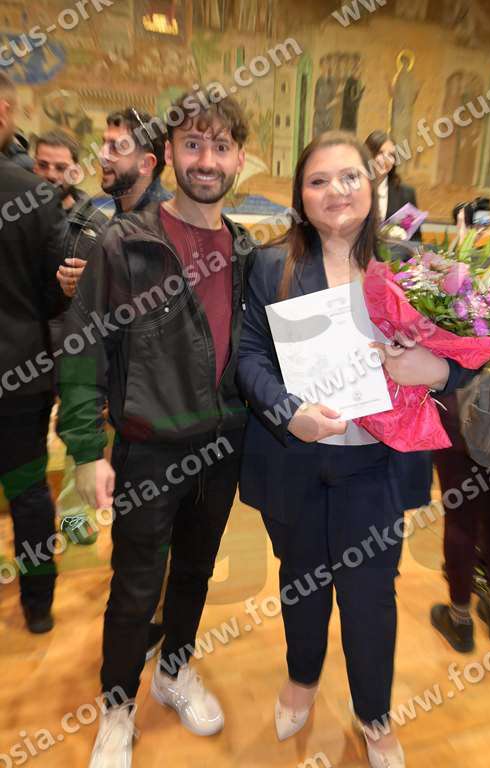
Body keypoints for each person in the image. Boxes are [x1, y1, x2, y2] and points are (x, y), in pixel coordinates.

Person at [237, 131, 475, 768]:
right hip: (297, 457)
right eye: (318, 181)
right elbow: (249, 356)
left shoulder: (410, 265)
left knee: (370, 594)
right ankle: (302, 679)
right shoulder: (271, 265)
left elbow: (467, 349)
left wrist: (438, 371)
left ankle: (374, 715)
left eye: (349, 177)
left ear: (372, 187)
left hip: (377, 463)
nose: (336, 191)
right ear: (300, 195)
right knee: (301, 580)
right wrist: (288, 412)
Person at [58, 92, 254, 767]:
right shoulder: (126, 242)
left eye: (221, 146)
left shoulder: (246, 249)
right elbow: (82, 348)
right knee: (135, 587)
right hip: (147, 448)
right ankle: (116, 709)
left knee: (195, 572)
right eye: (193, 144)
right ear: (168, 152)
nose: (207, 160)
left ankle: (174, 671)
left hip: (221, 447)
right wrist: (88, 450)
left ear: (240, 158)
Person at [55, 107, 171, 655]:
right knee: (136, 544)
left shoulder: (165, 226)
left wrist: (104, 289)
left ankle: (153, 627)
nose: (102, 155)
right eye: (102, 143)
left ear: (147, 162)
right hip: (125, 411)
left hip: (159, 423)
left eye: (116, 147)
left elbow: (166, 325)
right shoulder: (109, 220)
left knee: (152, 546)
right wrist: (86, 289)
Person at [431, 170, 490, 652]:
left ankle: (460, 620)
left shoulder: (479, 261)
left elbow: (448, 334)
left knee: (461, 517)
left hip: (469, 407)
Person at [0, 73, 67, 634]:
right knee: (27, 492)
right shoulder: (37, 196)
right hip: (21, 373)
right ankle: (38, 604)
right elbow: (54, 295)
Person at [33, 130, 109, 547]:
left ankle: (72, 516)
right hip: (24, 343)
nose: (51, 174)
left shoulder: (96, 225)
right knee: (25, 434)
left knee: (76, 430)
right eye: (42, 165)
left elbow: (111, 291)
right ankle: (30, 512)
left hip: (75, 344)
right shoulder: (15, 213)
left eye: (61, 167)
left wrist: (88, 282)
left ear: (76, 170)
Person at [366, 128, 431, 512]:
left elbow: (416, 242)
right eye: (381, 154)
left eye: (392, 155)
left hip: (399, 282)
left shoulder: (404, 193)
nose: (387, 161)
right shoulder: (357, 188)